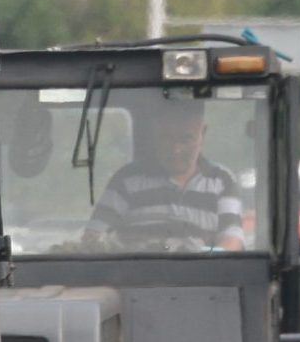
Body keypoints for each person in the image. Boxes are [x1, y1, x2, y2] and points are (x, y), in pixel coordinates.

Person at [84, 98, 244, 252]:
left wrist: (206, 263)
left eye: (186, 139)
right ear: (154, 133)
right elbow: (93, 236)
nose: (176, 150)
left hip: (202, 277)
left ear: (203, 133)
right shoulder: (127, 179)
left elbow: (232, 239)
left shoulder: (221, 180)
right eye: (166, 138)